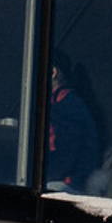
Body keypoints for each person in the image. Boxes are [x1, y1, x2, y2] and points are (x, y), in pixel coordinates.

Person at [44, 55, 101, 192]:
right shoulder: (61, 102)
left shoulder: (67, 105)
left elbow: (65, 153)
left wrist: (43, 177)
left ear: (53, 72)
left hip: (69, 185)